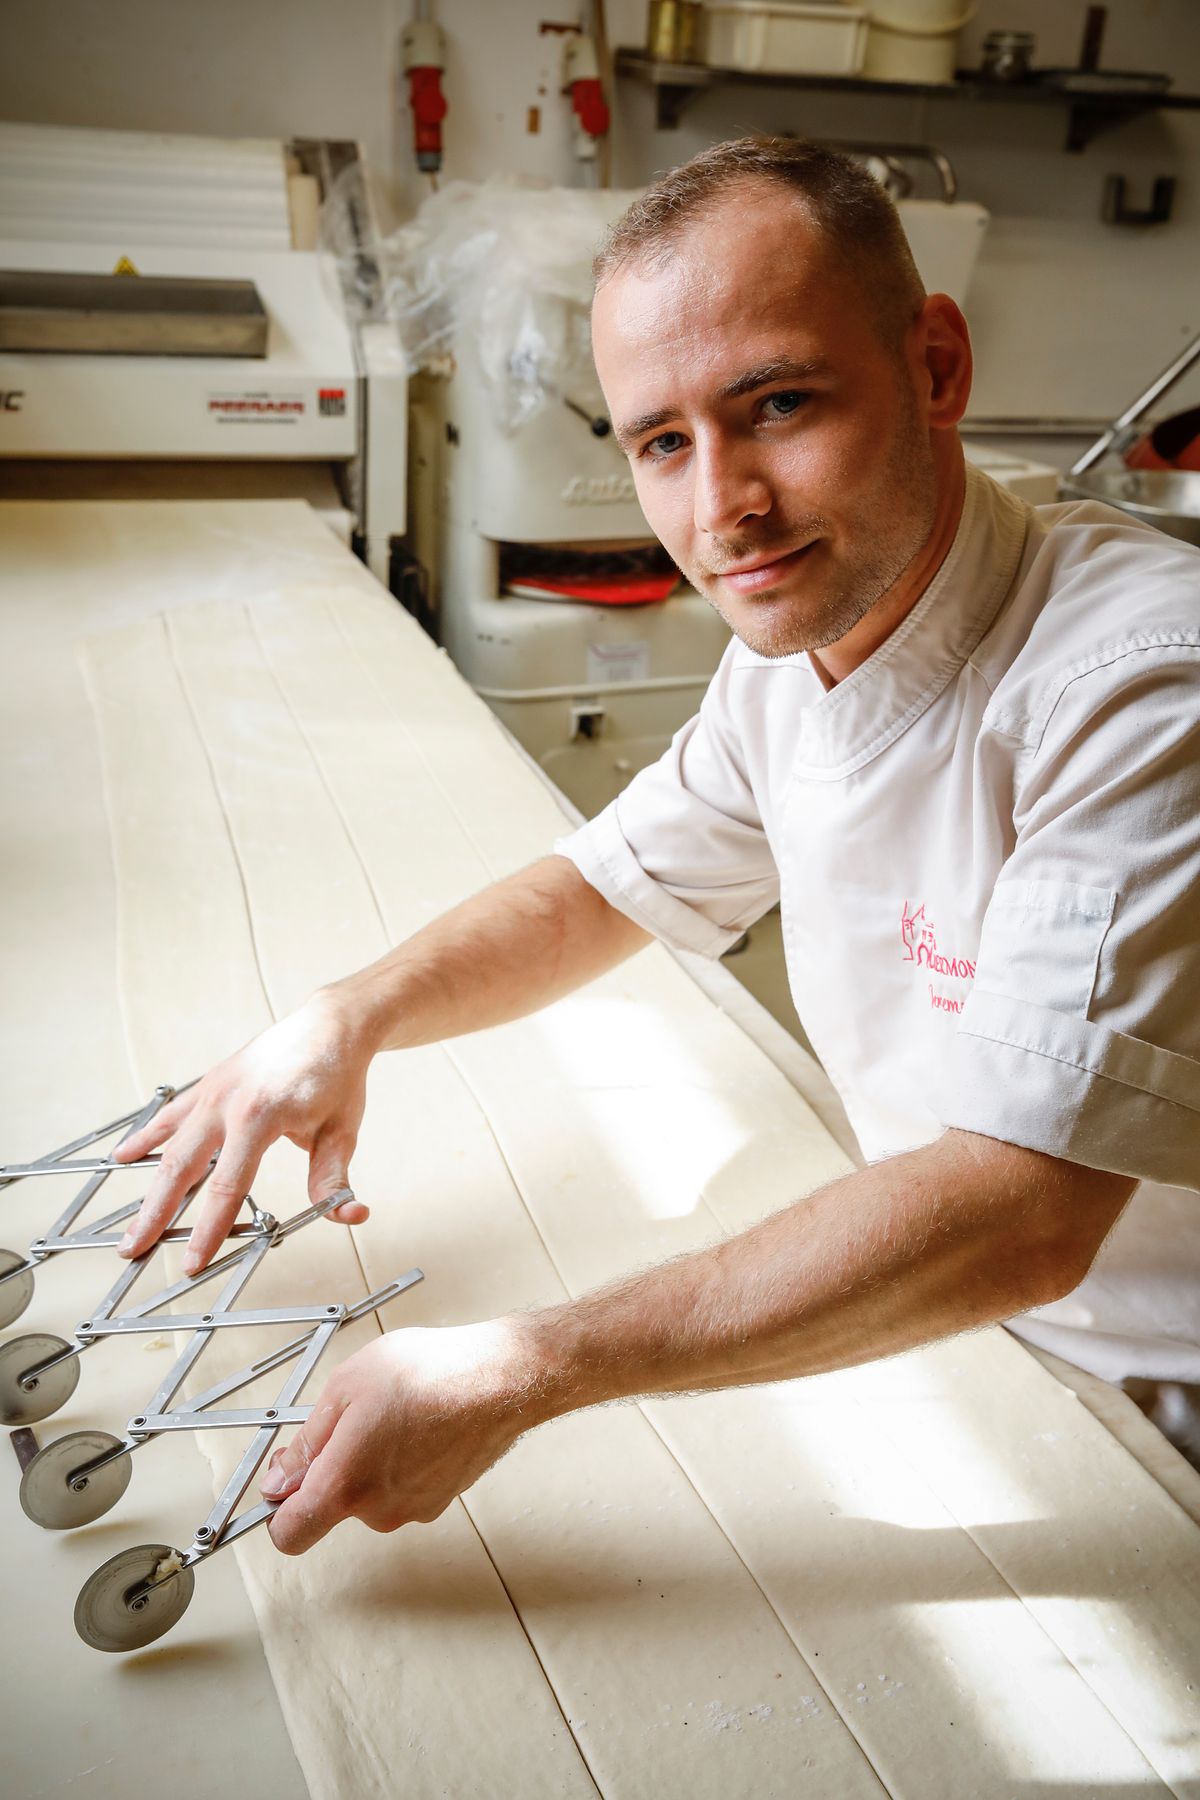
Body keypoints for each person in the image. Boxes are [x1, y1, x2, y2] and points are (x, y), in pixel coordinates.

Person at [115, 138, 1200, 1552]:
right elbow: (603, 885)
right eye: (662, 443)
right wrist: (348, 1017)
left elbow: (1023, 1214)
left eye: (779, 404)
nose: (722, 508)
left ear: (937, 366)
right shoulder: (795, 652)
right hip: (973, 1330)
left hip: (1154, 1405)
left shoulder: (1141, 682)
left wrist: (527, 1366)